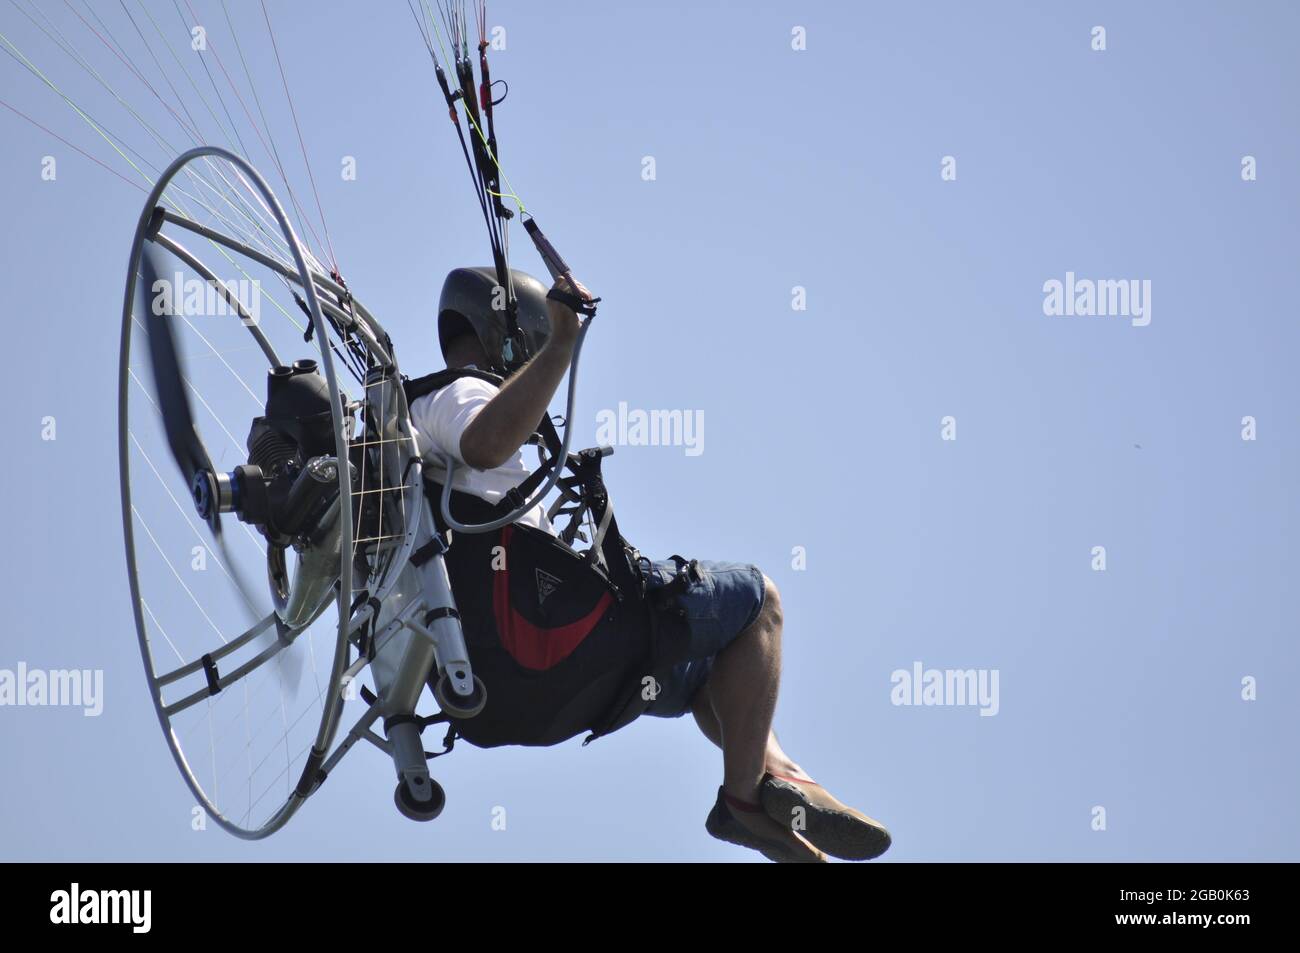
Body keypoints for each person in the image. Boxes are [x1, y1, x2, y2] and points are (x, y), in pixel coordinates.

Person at [409, 267, 891, 862]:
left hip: (508, 690)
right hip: (544, 640)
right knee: (759, 601)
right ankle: (745, 802)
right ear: (513, 340)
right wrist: (563, 343)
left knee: (709, 673)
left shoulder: (417, 431)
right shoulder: (464, 392)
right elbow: (485, 444)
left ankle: (779, 775)